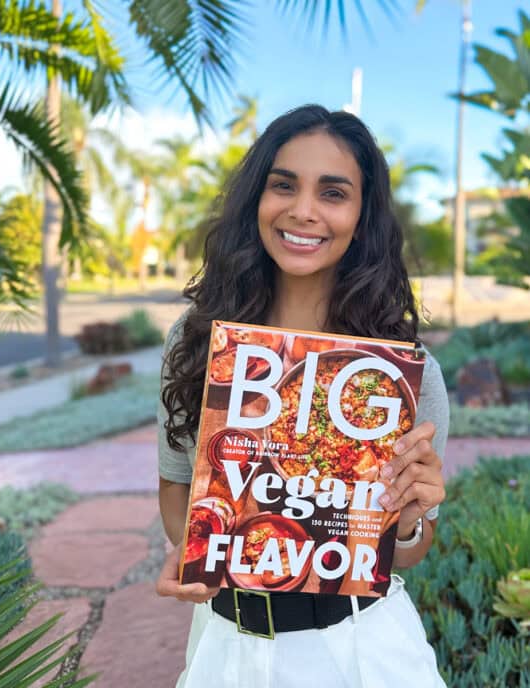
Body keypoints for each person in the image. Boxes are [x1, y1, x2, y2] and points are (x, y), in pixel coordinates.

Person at [156, 104, 449, 688]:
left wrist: (410, 520)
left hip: (362, 651)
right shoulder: (194, 343)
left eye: (333, 193)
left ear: (363, 217)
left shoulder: (404, 373)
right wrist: (200, 545)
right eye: (283, 185)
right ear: (255, 202)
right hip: (226, 647)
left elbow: (408, 552)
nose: (303, 210)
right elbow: (176, 491)